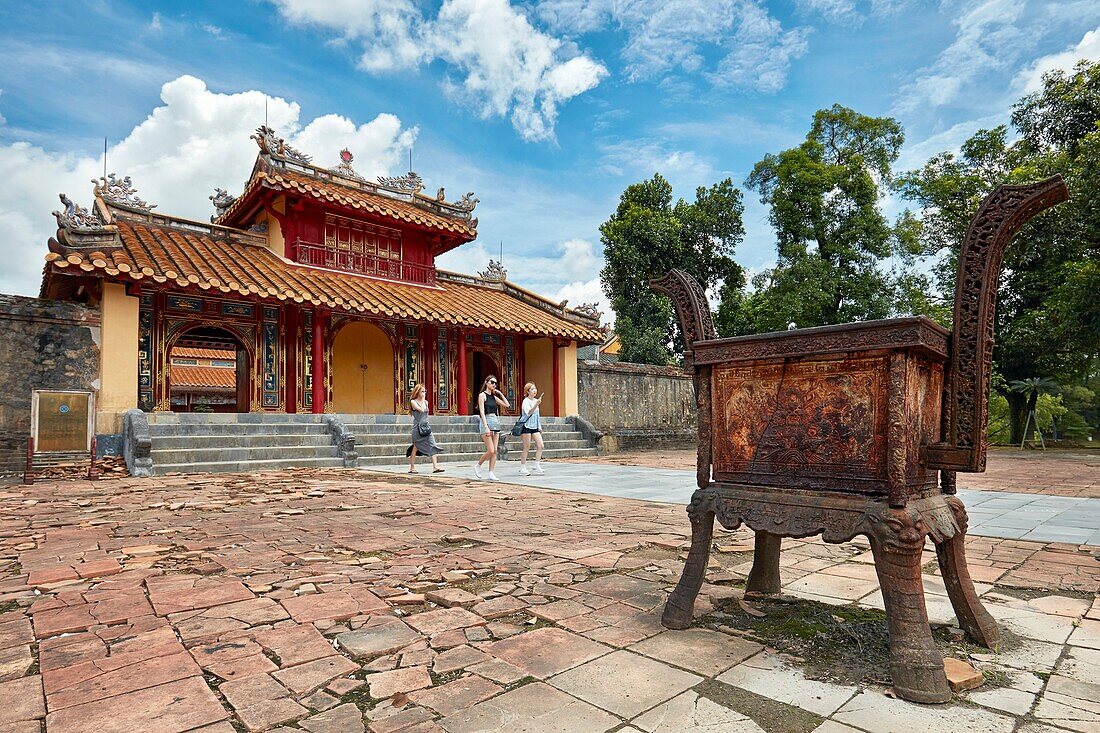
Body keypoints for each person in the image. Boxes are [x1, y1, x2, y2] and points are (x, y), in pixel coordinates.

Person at [474, 374, 509, 480]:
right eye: (492, 382)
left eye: (495, 383)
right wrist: (485, 426)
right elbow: (482, 412)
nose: (494, 384)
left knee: (495, 450)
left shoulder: (494, 397)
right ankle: (478, 465)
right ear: (486, 383)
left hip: (495, 421)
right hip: (487, 421)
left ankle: (491, 472)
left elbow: (507, 405)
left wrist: (500, 394)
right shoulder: (482, 395)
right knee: (491, 450)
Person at [407, 383, 444, 474]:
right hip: (417, 428)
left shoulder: (426, 402)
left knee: (433, 444)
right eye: (422, 391)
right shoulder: (413, 402)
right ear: (418, 392)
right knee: (415, 447)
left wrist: (424, 400)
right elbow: (421, 410)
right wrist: (423, 399)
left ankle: (435, 466)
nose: (424, 393)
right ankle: (412, 467)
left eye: (425, 391)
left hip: (426, 427)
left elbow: (426, 414)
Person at [518, 382, 545, 475]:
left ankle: (536, 465)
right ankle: (522, 467)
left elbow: (537, 415)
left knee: (540, 445)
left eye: (535, 388)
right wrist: (536, 405)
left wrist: (539, 426)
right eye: (532, 389)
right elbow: (529, 412)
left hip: (534, 426)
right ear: (528, 391)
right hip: (526, 426)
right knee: (527, 447)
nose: (535, 390)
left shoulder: (536, 400)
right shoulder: (525, 401)